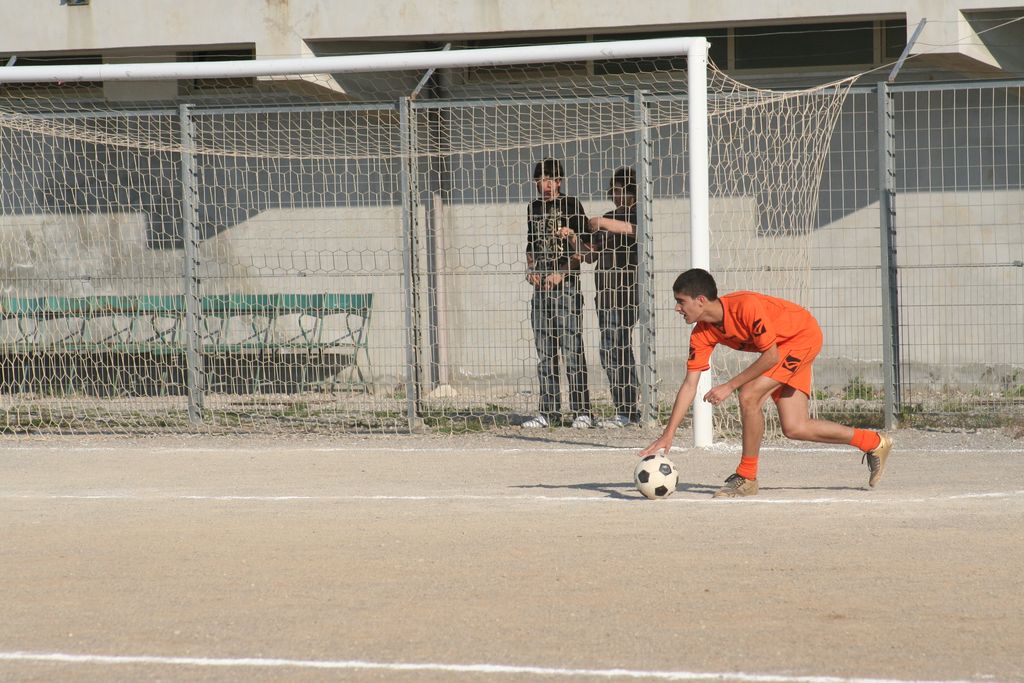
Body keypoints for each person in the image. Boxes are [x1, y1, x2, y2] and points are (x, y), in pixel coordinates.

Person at [639, 268, 893, 497]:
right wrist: (668, 434)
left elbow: (770, 356)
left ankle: (747, 477)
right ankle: (873, 442)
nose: (677, 308)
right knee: (795, 427)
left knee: (749, 395)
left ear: (701, 300)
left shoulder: (745, 306)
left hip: (802, 337)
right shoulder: (701, 333)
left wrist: (729, 386)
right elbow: (689, 385)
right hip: (784, 347)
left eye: (681, 301)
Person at [522, 158, 593, 429]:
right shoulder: (533, 208)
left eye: (552, 180)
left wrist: (561, 273)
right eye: (542, 180)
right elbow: (530, 244)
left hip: (566, 287)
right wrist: (532, 270)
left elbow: (583, 248)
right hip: (542, 287)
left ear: (560, 182)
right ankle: (548, 412)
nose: (548, 185)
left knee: (571, 349)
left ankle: (582, 411)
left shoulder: (572, 205)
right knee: (545, 351)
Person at [586, 167, 641, 428]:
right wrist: (574, 238)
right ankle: (626, 408)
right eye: (612, 191)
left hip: (626, 293)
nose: (614, 196)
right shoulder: (608, 217)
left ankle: (628, 410)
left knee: (617, 348)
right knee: (612, 349)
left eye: (618, 191)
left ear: (631, 191)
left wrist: (602, 223)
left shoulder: (638, 213)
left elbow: (636, 230)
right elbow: (590, 256)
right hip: (605, 294)